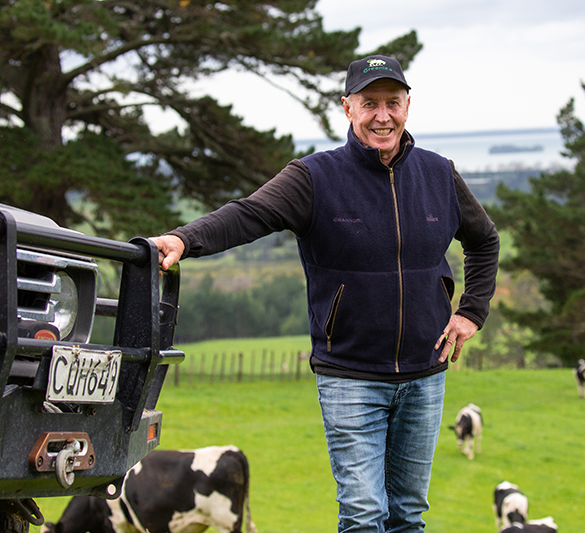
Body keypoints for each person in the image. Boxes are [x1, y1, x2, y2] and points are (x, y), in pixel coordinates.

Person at [150, 54, 500, 533]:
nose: (382, 116)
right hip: (350, 375)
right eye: (369, 103)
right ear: (347, 107)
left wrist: (471, 312)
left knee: (408, 515)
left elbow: (484, 240)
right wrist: (184, 239)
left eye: (392, 102)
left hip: (425, 373)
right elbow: (250, 214)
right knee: (363, 514)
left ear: (408, 105)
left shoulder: (439, 173)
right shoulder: (315, 177)